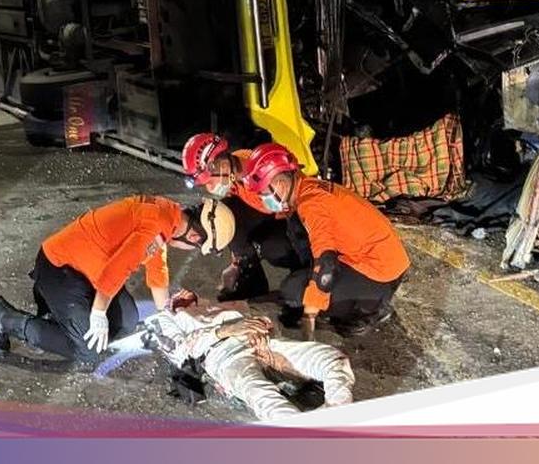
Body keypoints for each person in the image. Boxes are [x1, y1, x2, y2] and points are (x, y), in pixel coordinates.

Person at [0, 196, 235, 363]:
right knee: (89, 351)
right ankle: (6, 319)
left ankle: (62, 319)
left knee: (127, 320)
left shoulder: (167, 217)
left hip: (88, 272)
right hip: (60, 267)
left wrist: (168, 316)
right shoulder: (155, 226)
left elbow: (157, 274)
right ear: (194, 237)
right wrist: (97, 314)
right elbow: (117, 270)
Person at [241, 143, 410, 339]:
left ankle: (371, 308)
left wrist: (309, 315)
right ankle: (339, 294)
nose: (263, 198)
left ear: (279, 183)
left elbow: (326, 265)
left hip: (381, 271)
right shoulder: (305, 189)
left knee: (294, 291)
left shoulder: (311, 204)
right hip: (374, 254)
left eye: (263, 193)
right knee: (285, 242)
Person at [142, 289, 354, 420]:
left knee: (333, 359)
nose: (182, 294)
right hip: (223, 356)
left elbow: (264, 317)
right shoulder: (167, 318)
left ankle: (337, 412)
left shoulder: (222, 305)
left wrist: (270, 341)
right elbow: (179, 350)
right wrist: (226, 330)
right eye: (177, 296)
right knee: (260, 394)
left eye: (188, 295)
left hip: (262, 343)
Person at [182, 133, 304, 301]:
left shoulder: (267, 168)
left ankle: (304, 276)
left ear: (223, 165)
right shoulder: (236, 177)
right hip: (269, 213)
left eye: (210, 181)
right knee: (225, 214)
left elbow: (301, 208)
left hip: (294, 218)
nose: (210, 188)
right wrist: (236, 263)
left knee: (274, 248)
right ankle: (251, 281)